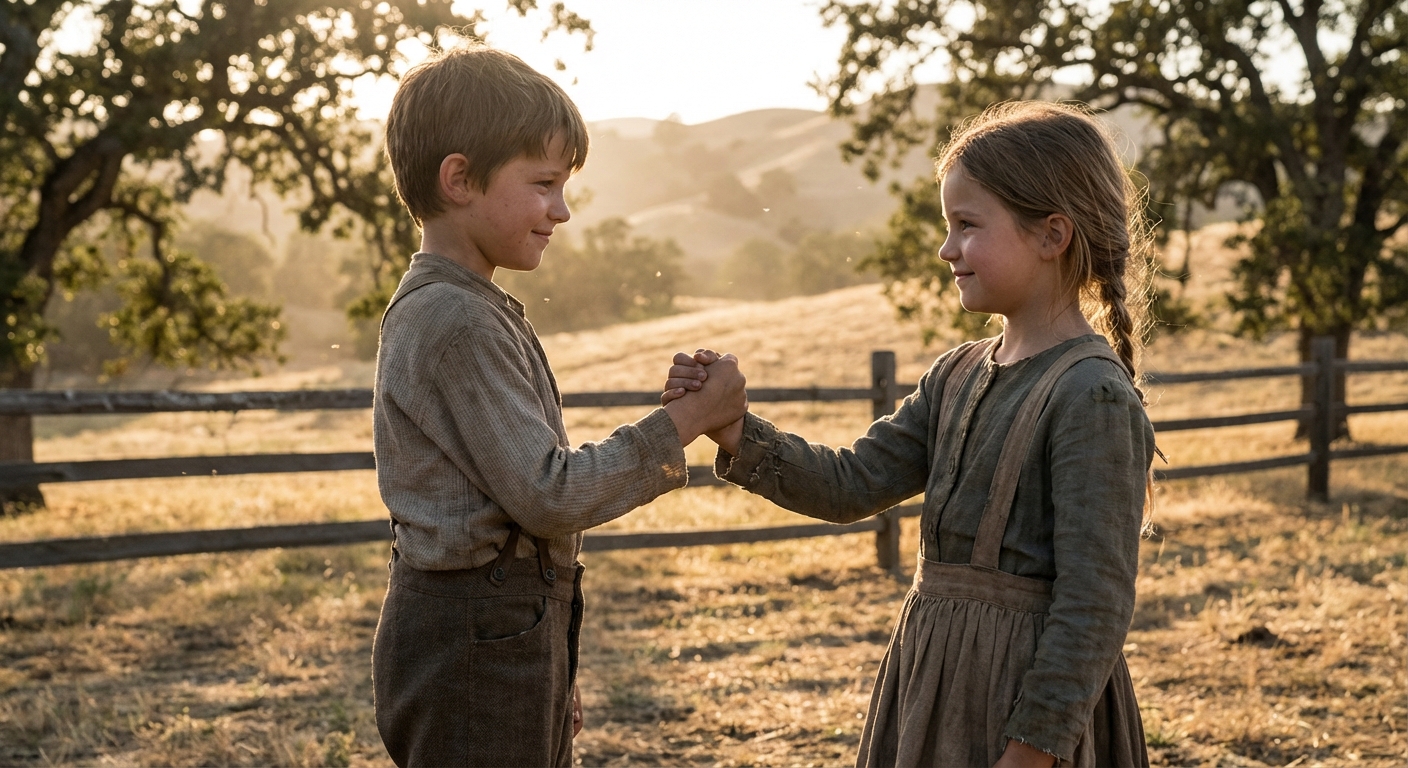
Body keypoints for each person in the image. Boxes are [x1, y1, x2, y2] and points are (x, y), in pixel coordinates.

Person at [664, 101, 1157, 767]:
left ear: (1052, 235)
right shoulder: (955, 374)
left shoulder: (1089, 394)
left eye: (967, 226)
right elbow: (850, 484)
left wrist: (1033, 747)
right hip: (934, 681)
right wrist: (735, 431)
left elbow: (1094, 604)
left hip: (1024, 710)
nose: (946, 249)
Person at [370, 45, 747, 768]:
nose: (562, 210)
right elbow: (548, 493)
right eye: (543, 184)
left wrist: (550, 656)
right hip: (471, 635)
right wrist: (686, 423)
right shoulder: (455, 320)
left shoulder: (474, 308)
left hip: (500, 626)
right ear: (459, 179)